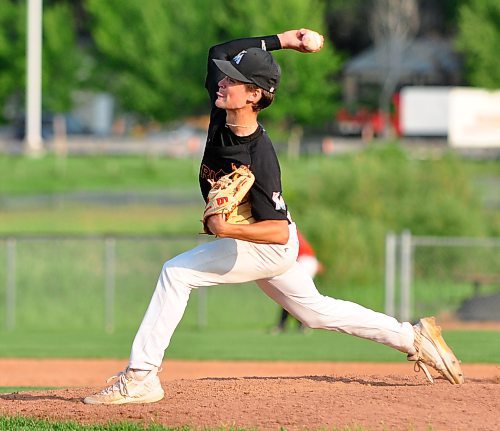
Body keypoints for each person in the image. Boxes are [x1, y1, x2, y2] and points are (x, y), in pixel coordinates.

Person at [84, 29, 464, 405]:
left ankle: (141, 376)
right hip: (254, 242)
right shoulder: (223, 114)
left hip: (267, 246)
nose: (222, 82)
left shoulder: (260, 156)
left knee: (176, 273)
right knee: (315, 312)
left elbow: (279, 233)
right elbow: (220, 48)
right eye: (225, 76)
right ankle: (412, 337)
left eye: (233, 80)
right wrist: (284, 40)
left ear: (253, 95)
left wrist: (225, 227)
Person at [273, 229, 322, 333]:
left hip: (305, 261)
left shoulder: (285, 231)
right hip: (308, 261)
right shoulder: (289, 229)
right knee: (292, 294)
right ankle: (297, 325)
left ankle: (288, 325)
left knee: (291, 294)